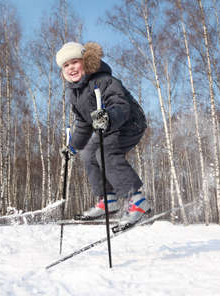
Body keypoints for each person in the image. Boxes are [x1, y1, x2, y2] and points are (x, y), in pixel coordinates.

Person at [56, 41, 150, 228]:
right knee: (89, 153)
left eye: (74, 62)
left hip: (128, 123)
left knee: (104, 153)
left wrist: (108, 117)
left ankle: (137, 200)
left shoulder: (103, 80)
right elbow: (83, 124)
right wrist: (73, 147)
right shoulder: (76, 94)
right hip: (108, 128)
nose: (71, 68)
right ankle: (108, 199)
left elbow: (120, 105)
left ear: (86, 61)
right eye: (66, 65)